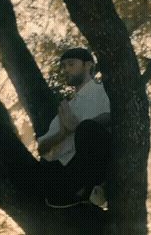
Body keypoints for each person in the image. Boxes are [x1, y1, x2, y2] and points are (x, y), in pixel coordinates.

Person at [37, 48, 112, 208]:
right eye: (63, 66)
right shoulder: (67, 108)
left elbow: (113, 117)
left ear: (88, 65)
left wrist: (77, 128)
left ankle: (96, 189)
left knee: (87, 129)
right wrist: (63, 133)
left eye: (71, 64)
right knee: (42, 169)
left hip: (99, 162)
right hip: (71, 172)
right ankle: (79, 194)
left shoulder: (104, 91)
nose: (65, 69)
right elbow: (42, 148)